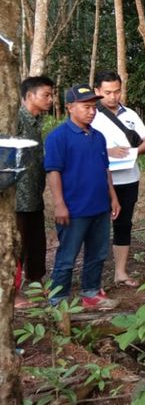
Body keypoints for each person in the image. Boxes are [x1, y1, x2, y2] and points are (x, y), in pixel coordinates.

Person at [45, 84, 121, 309]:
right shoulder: (58, 137)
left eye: (93, 107)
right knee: (67, 256)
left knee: (97, 253)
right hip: (74, 209)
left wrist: (113, 197)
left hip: (99, 206)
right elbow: (53, 171)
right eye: (85, 106)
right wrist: (59, 204)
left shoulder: (98, 137)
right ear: (69, 107)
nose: (92, 111)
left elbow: (105, 169)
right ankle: (58, 298)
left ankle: (91, 292)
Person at [92, 71, 145, 288]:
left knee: (124, 224)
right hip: (99, 181)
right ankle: (93, 279)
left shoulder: (131, 115)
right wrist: (109, 152)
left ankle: (120, 272)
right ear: (97, 91)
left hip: (128, 179)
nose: (113, 97)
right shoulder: (91, 115)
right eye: (107, 92)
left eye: (117, 91)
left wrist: (135, 152)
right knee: (96, 226)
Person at [15, 76, 54, 307]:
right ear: (30, 96)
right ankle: (12, 293)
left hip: (34, 195)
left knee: (36, 243)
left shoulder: (37, 122)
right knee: (16, 246)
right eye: (46, 95)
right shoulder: (16, 120)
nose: (50, 99)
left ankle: (35, 284)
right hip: (16, 198)